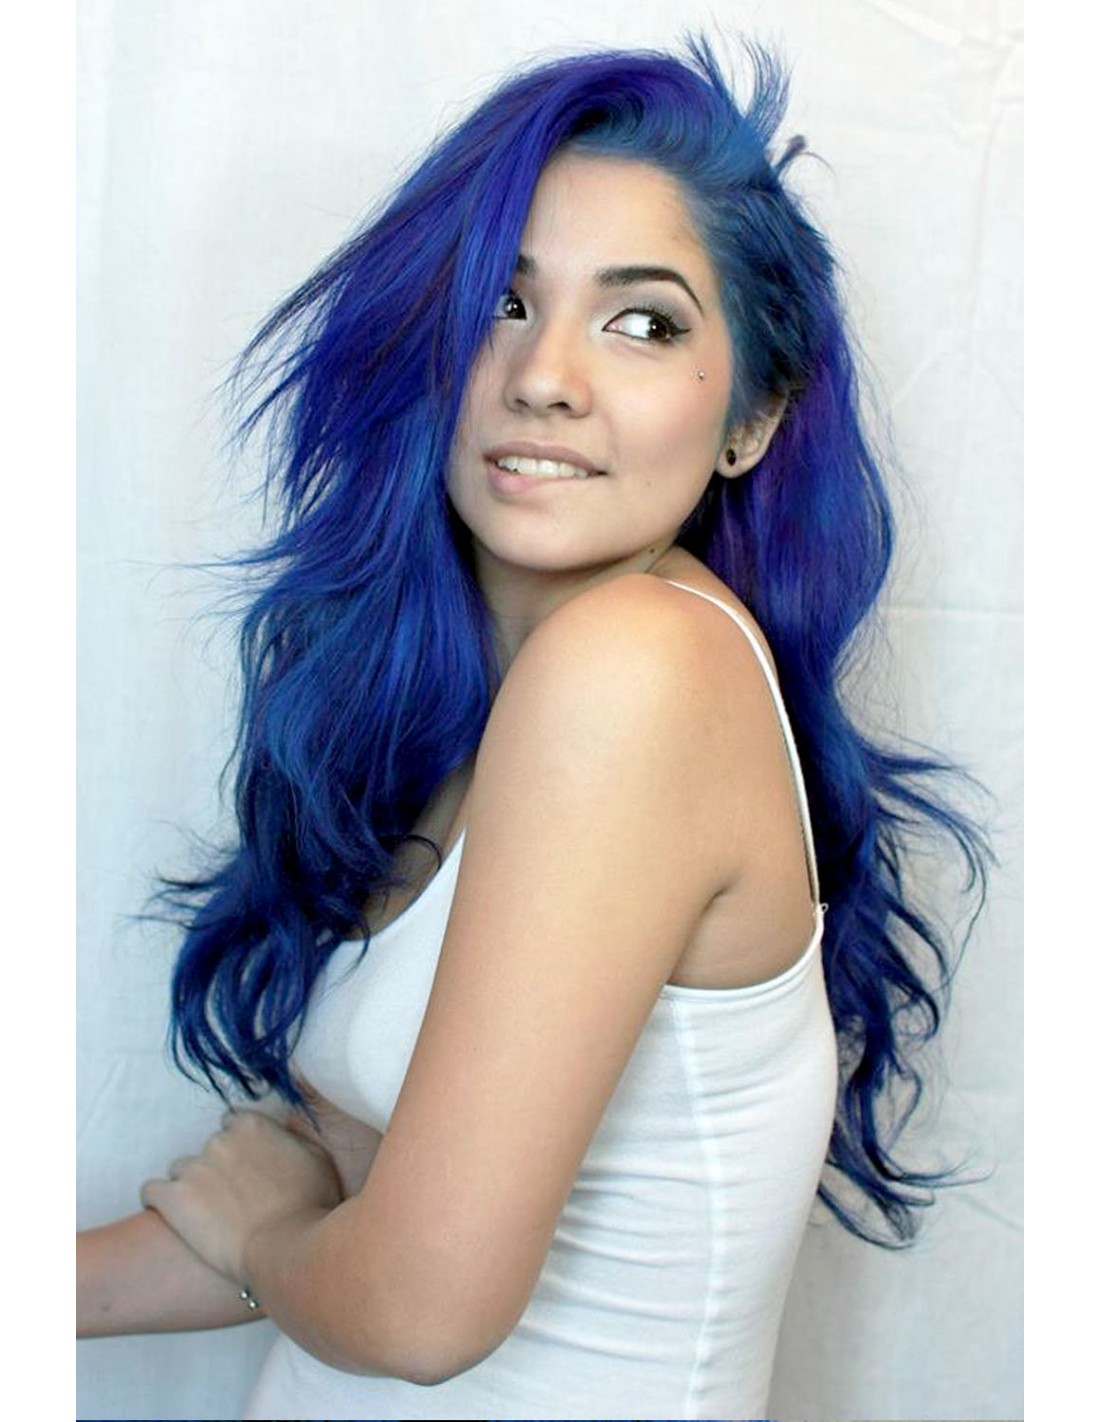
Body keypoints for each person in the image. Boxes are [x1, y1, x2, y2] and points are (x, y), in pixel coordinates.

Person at [76, 37, 987, 1420]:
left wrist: (271, 1236)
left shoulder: (638, 672)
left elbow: (412, 1303)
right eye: (502, 302)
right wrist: (258, 1233)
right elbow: (306, 1213)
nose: (545, 375)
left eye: (644, 323)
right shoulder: (478, 710)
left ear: (751, 417)